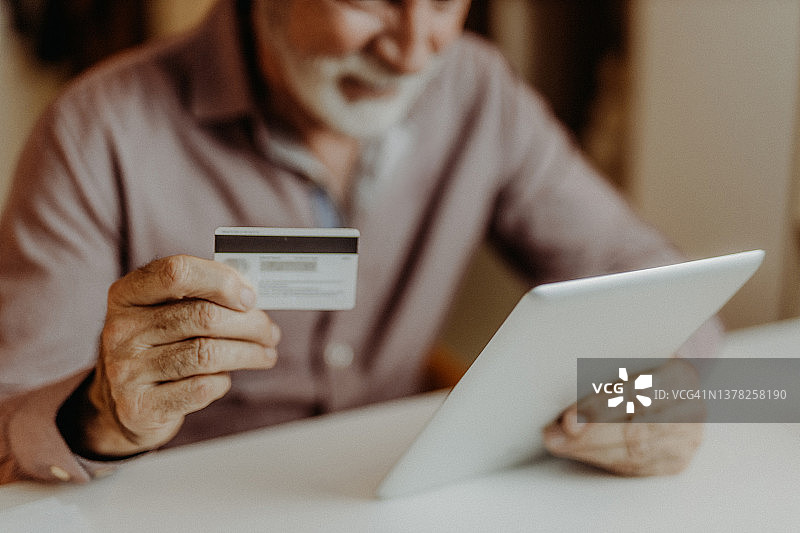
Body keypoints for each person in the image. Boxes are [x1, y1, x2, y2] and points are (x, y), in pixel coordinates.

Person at [0, 0, 718, 485]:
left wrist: (667, 388)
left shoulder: (478, 90)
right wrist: (105, 411)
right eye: (367, 1)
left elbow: (654, 281)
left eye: (443, 0)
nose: (413, 52)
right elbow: (11, 421)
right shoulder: (94, 133)